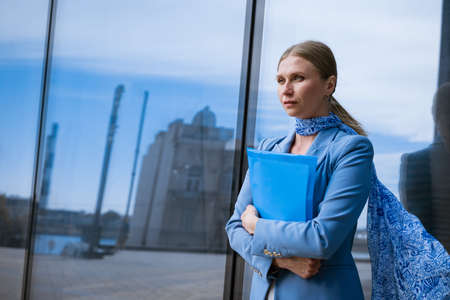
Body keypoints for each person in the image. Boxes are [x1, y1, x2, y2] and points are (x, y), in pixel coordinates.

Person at [225, 41, 450, 300]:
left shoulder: (352, 149)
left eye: (298, 78)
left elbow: (322, 238)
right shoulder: (268, 148)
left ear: (329, 85)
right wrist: (281, 263)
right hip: (264, 292)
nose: (286, 89)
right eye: (280, 80)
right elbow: (233, 228)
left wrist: (256, 225)